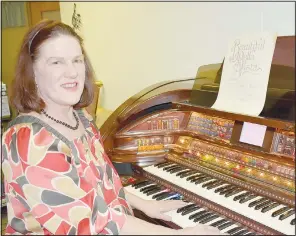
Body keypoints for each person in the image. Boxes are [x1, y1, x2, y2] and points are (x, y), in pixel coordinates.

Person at [1, 20, 225, 235]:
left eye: (77, 60)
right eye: (56, 62)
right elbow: (91, 221)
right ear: (32, 71)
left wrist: (146, 205)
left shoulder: (81, 119)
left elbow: (105, 183)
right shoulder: (28, 140)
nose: (72, 72)